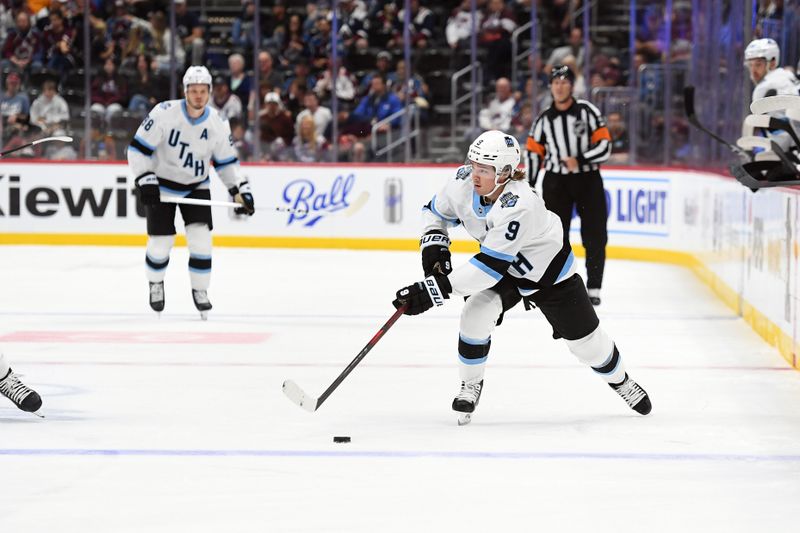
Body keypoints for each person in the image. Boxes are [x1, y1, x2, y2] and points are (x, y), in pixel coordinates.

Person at [391, 130, 650, 425]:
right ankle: (470, 384)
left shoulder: (520, 204)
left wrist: (434, 290)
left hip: (548, 275)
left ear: (504, 173)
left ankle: (621, 381)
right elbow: (433, 211)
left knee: (588, 346)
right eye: (474, 164)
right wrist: (434, 242)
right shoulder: (463, 181)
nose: (475, 174)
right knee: (475, 312)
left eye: (484, 170)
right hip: (506, 270)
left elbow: (488, 267)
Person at [127, 65, 255, 319]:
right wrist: (145, 178)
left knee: (201, 240)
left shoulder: (217, 122)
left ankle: (200, 290)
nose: (198, 96)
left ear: (209, 93)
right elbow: (137, 150)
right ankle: (155, 283)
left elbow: (227, 162)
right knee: (161, 242)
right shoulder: (163, 113)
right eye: (193, 91)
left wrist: (240, 190)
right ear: (185, 91)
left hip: (196, 185)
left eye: (202, 91)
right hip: (162, 184)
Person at [525, 65, 612, 306]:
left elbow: (605, 145)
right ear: (551, 87)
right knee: (554, 235)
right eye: (556, 82)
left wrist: (581, 159)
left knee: (595, 233)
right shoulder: (543, 119)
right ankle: (557, 283)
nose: (560, 86)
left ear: (572, 86)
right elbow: (533, 154)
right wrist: (529, 185)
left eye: (564, 82)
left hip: (588, 180)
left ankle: (594, 286)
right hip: (556, 183)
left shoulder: (588, 112)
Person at [744, 38, 800, 151]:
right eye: (751, 65)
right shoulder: (787, 76)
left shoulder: (764, 87)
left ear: (773, 62)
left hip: (787, 149)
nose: (753, 71)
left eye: (758, 65)